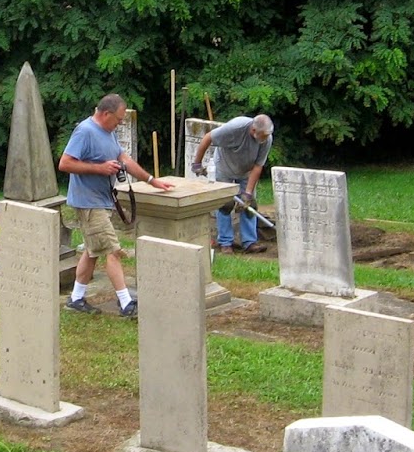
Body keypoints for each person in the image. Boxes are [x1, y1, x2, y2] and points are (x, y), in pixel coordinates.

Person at [58, 93, 172, 317]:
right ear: (105, 113)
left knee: (92, 251)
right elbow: (65, 163)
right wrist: (100, 169)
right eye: (118, 119)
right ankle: (126, 302)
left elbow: (124, 160)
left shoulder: (108, 133)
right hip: (88, 202)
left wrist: (151, 180)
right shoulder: (85, 131)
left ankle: (76, 298)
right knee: (112, 249)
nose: (120, 123)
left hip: (101, 200)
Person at [192, 113, 274, 253]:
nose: (265, 139)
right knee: (225, 204)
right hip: (225, 167)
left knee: (249, 206)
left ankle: (249, 242)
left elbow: (258, 166)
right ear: (254, 131)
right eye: (263, 136)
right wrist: (197, 163)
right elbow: (208, 138)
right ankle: (225, 242)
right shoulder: (236, 127)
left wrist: (247, 194)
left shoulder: (266, 139)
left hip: (246, 171)